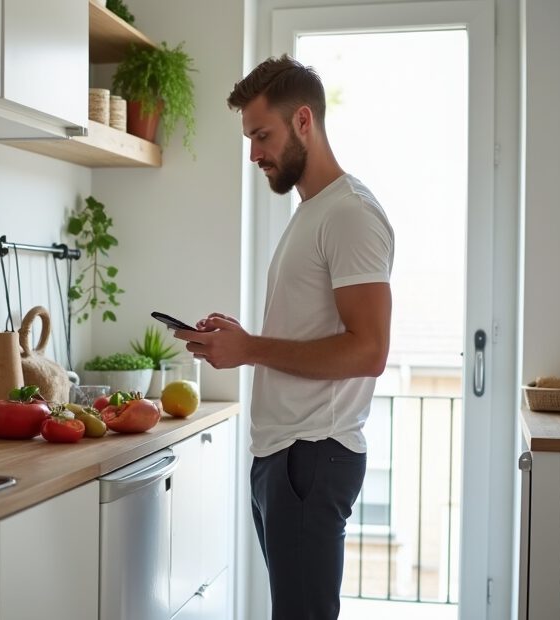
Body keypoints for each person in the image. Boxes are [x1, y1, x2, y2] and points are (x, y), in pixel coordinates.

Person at [172, 55, 394, 619]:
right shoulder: (314, 212)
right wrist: (244, 342)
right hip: (285, 456)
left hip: (312, 455)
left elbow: (369, 352)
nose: (253, 154)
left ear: (303, 122)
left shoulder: (350, 214)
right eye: (249, 138)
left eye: (262, 135)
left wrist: (250, 350)